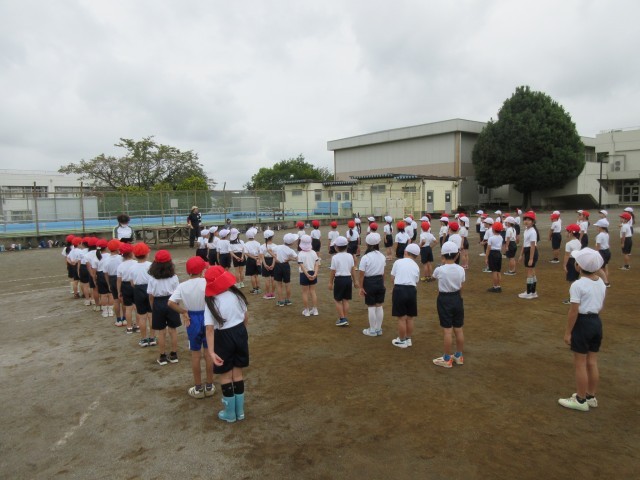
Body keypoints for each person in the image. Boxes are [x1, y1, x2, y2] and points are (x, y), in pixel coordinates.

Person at [558, 248, 606, 412]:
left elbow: (574, 311)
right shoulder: (601, 282)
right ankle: (591, 396)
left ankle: (580, 399)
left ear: (579, 266)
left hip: (583, 323)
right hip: (596, 322)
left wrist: (568, 332)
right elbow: (600, 305)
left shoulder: (577, 285)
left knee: (580, 363)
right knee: (592, 362)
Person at [204, 266, 248, 423]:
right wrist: (242, 334)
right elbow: (245, 317)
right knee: (238, 374)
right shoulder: (237, 295)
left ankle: (230, 413)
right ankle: (240, 411)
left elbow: (209, 329)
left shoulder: (211, 302)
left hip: (222, 338)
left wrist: (211, 352)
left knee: (226, 375)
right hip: (240, 332)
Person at [168, 256, 215, 398]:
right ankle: (209, 385)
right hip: (207, 317)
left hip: (192, 318)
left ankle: (198, 388)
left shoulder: (183, 286)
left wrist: (183, 312)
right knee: (208, 353)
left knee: (195, 354)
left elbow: (170, 302)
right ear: (202, 270)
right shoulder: (207, 282)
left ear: (188, 271)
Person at [432, 241, 466, 367]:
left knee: (447, 330)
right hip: (457, 297)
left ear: (442, 256)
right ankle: (459, 355)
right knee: (458, 329)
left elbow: (434, 276)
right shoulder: (461, 269)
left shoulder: (440, 269)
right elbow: (461, 285)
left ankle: (447, 359)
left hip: (444, 299)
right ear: (457, 255)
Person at [147, 250, 181, 366]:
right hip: (172, 301)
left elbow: (151, 295)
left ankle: (162, 356)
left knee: (161, 331)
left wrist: (153, 306)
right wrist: (177, 305)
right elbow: (177, 293)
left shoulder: (152, 278)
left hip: (158, 302)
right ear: (170, 263)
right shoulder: (174, 277)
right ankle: (174, 354)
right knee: (173, 330)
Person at [390, 243, 420, 348]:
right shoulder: (416, 266)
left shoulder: (398, 262)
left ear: (405, 252)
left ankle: (402, 340)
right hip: (412, 290)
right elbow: (416, 281)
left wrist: (394, 287)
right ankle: (408, 339)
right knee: (410, 317)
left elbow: (392, 277)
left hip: (400, 289)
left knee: (401, 318)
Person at [358, 232, 386, 336]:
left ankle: (372, 330)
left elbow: (361, 275)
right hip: (379, 281)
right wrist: (383, 283)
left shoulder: (365, 257)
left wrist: (361, 287)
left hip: (369, 282)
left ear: (367, 244)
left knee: (371, 306)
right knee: (379, 305)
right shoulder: (382, 256)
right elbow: (383, 272)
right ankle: (378, 329)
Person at [329, 236, 358, 327]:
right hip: (348, 279)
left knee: (337, 300)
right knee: (346, 300)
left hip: (339, 280)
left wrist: (330, 282)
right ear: (347, 246)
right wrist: (355, 281)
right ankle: (344, 318)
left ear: (336, 247)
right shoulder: (350, 256)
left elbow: (333, 271)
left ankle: (342, 318)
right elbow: (353, 269)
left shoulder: (335, 257)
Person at [130, 242, 156, 347]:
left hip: (138, 289)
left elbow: (132, 283)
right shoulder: (151, 265)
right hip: (150, 289)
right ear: (147, 254)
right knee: (151, 315)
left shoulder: (132, 267)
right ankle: (152, 337)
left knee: (142, 316)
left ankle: (144, 339)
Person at [518, 211, 540, 299]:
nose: (526, 221)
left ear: (533, 222)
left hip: (532, 252)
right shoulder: (526, 230)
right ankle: (533, 292)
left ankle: (529, 292)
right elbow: (524, 244)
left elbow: (532, 246)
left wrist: (531, 258)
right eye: (525, 219)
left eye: (529, 220)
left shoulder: (532, 232)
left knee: (529, 272)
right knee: (532, 272)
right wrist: (521, 254)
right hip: (528, 252)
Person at [117, 242, 138, 332]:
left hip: (125, 286)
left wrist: (119, 291)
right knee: (137, 307)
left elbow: (119, 280)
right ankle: (138, 326)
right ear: (131, 253)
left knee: (128, 308)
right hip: (135, 285)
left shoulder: (121, 265)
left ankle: (129, 327)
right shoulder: (136, 263)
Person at [297, 235, 319, 316]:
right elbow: (317, 264)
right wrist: (315, 274)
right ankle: (315, 310)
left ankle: (306, 311)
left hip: (304, 274)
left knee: (305, 292)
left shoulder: (300, 254)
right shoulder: (313, 252)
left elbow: (302, 266)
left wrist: (307, 275)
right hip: (313, 272)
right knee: (313, 291)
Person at [274, 233, 298, 307]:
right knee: (287, 284)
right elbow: (297, 258)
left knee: (279, 284)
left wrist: (275, 257)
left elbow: (269, 250)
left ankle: (280, 301)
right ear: (291, 243)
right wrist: (290, 259)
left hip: (278, 265)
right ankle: (288, 300)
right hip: (285, 266)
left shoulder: (277, 247)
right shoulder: (290, 250)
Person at [104, 239, 124, 325]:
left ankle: (118, 319)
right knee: (123, 300)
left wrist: (108, 283)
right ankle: (124, 318)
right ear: (117, 249)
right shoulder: (121, 258)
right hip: (121, 279)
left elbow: (106, 273)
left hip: (111, 279)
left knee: (116, 300)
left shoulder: (106, 259)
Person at [562, 224, 582, 304]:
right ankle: (576, 297)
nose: (565, 233)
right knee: (576, 279)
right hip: (578, 261)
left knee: (571, 281)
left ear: (571, 233)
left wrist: (564, 265)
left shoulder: (569, 244)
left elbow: (567, 255)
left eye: (567, 231)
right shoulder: (578, 242)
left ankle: (572, 298)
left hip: (571, 262)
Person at [486, 222, 504, 293]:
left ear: (493, 229)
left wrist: (486, 258)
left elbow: (488, 249)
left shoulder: (491, 238)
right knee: (498, 271)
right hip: (499, 253)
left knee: (494, 271)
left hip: (493, 254)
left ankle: (495, 286)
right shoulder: (501, 237)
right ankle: (498, 286)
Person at [243, 228, 262, 295]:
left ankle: (254, 289)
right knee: (256, 275)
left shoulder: (246, 244)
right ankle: (258, 289)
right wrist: (258, 258)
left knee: (252, 275)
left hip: (250, 260)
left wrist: (253, 257)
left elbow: (246, 253)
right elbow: (260, 252)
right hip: (257, 259)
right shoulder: (258, 243)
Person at [259, 229, 276, 299]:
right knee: (273, 278)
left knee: (267, 279)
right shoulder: (275, 246)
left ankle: (267, 294)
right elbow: (275, 256)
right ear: (272, 237)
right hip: (273, 261)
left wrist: (265, 264)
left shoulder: (262, 246)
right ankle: (273, 293)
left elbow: (262, 256)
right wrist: (273, 264)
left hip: (265, 260)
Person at [593, 219, 611, 287]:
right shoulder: (606, 234)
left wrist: (595, 253)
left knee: (599, 268)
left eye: (597, 226)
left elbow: (598, 246)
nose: (596, 228)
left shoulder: (600, 235)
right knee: (605, 267)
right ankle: (605, 280)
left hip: (602, 252)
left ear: (600, 227)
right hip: (607, 251)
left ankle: (606, 282)